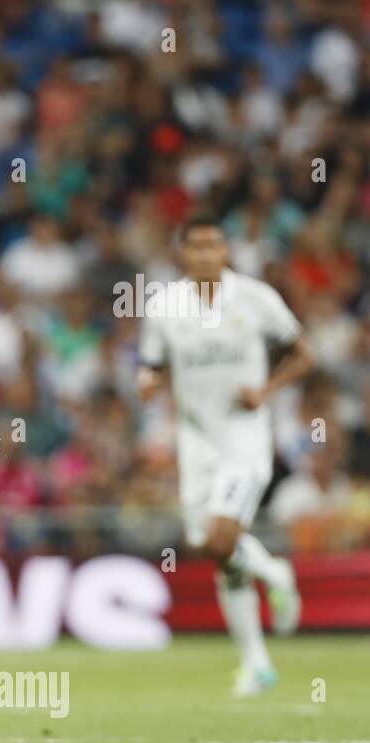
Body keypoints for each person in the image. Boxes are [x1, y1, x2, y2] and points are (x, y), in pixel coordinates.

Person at [137, 212, 313, 697]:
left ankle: (276, 572)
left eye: (214, 245)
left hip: (244, 438)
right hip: (195, 441)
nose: (206, 254)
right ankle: (257, 663)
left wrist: (268, 389)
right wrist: (148, 382)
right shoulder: (165, 305)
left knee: (220, 540)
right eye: (196, 246)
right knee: (218, 553)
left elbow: (304, 352)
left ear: (226, 251)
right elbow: (152, 365)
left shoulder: (255, 298)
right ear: (183, 253)